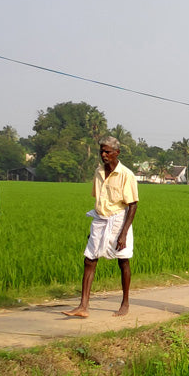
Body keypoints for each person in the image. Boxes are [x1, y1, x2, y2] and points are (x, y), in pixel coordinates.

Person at [63, 137, 138, 319]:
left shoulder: (126, 175)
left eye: (107, 152)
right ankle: (83, 305)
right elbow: (98, 199)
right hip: (100, 219)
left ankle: (125, 302)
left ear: (117, 153)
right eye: (102, 152)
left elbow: (133, 205)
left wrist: (123, 233)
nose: (104, 155)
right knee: (89, 259)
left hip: (119, 219)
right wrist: (93, 229)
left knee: (123, 260)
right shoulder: (98, 172)